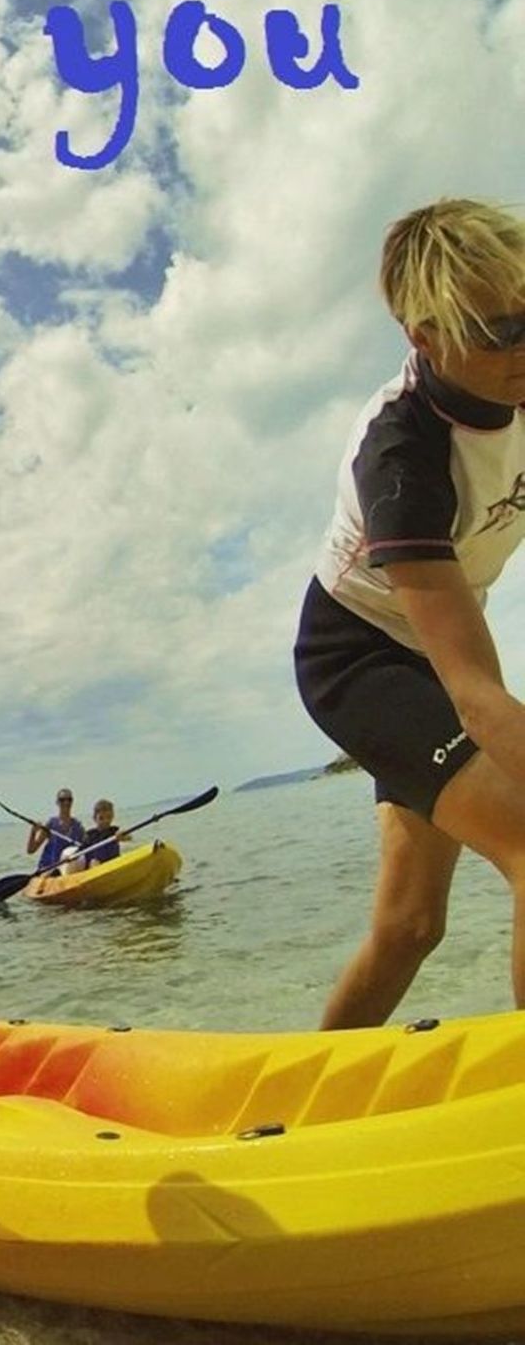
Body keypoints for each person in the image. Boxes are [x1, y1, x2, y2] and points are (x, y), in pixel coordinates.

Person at [295, 199, 525, 1029]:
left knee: (410, 928)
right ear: (423, 336)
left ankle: (308, 1106)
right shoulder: (400, 457)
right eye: (497, 332)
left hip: (441, 651)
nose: (522, 344)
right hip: (358, 659)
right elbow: (473, 694)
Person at [25, 788, 86, 874]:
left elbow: (86, 847)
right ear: (57, 802)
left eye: (69, 799)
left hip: (67, 869)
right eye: (62, 800)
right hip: (49, 868)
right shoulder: (51, 824)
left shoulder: (78, 826)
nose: (66, 802)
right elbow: (31, 850)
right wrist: (33, 831)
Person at [81, 798, 125, 865]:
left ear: (112, 816)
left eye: (108, 817)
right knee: (93, 862)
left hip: (113, 864)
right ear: (95, 818)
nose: (105, 821)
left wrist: (122, 836)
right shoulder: (90, 835)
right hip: (95, 866)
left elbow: (128, 837)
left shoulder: (114, 831)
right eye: (101, 818)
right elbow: (80, 850)